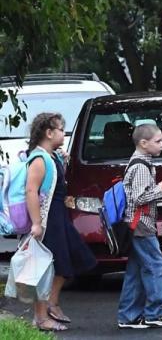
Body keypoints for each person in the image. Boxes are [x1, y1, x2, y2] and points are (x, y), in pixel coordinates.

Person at [24, 113, 97, 332]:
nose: (63, 134)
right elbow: (31, 191)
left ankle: (52, 304)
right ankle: (41, 317)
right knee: (45, 268)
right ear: (49, 133)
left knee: (71, 259)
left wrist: (62, 161)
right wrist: (36, 223)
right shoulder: (39, 159)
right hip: (48, 220)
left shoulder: (52, 156)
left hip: (59, 217)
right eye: (60, 130)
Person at [116, 124, 162, 329]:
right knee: (156, 266)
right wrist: (161, 188)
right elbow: (140, 198)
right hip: (141, 224)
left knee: (136, 271)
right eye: (158, 141)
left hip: (135, 223)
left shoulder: (139, 163)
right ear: (143, 143)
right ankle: (157, 312)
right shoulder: (141, 167)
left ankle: (128, 315)